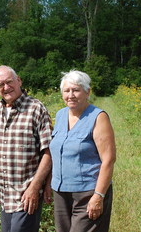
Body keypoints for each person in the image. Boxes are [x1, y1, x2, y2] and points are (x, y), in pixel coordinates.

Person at [0, 65, 53, 232]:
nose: (6, 87)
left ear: (19, 81)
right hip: (5, 195)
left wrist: (35, 187)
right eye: (1, 85)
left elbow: (48, 152)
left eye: (9, 82)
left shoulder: (36, 108)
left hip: (26, 195)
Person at [49, 70, 116, 232]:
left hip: (88, 192)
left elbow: (108, 159)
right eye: (66, 91)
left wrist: (98, 195)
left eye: (76, 90)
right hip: (60, 192)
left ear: (87, 92)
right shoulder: (60, 115)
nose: (70, 95)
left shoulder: (98, 117)